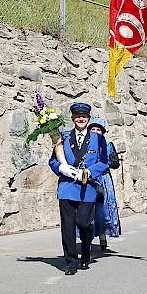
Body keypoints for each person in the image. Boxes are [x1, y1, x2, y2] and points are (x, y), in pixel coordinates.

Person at [48, 103, 109, 275]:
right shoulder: (63, 137)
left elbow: (104, 161)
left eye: (84, 117)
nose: (80, 119)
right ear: (73, 118)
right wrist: (62, 168)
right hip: (67, 187)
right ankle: (71, 262)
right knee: (68, 226)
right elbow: (53, 160)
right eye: (77, 116)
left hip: (87, 187)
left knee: (84, 223)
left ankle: (87, 249)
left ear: (88, 119)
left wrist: (90, 172)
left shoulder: (98, 139)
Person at [88, 117, 121, 251]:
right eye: (93, 129)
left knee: (104, 210)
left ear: (103, 132)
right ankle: (87, 240)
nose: (95, 132)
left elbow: (115, 163)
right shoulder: (83, 145)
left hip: (104, 179)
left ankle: (102, 236)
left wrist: (104, 163)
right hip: (89, 179)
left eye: (98, 130)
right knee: (88, 210)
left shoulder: (108, 146)